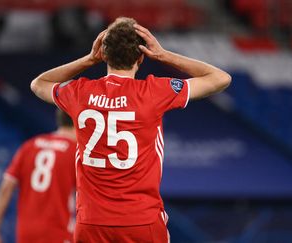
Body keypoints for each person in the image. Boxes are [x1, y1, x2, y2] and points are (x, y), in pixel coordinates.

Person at [30, 17, 231, 242]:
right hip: (141, 221)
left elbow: (38, 84)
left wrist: (87, 60)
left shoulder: (80, 92)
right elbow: (220, 79)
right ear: (141, 56)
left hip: (91, 223)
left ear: (104, 54)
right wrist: (164, 55)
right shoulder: (154, 92)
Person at [0, 110, 77, 243]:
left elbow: (5, 188)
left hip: (26, 232)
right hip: (58, 232)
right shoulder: (76, 152)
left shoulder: (29, 146)